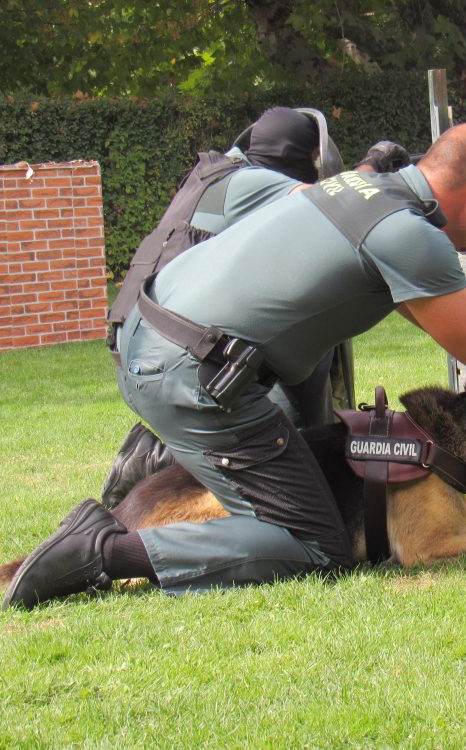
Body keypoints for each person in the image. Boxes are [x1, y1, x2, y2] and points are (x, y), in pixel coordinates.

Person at [3, 123, 466, 609]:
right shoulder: (409, 233)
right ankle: (104, 551)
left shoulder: (363, 197)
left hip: (160, 341)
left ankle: (124, 526)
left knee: (303, 515)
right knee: (313, 544)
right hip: (197, 376)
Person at [101, 107, 410, 508]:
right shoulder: (249, 182)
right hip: (177, 342)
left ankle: (164, 458)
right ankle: (159, 460)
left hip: (146, 332)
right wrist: (375, 167)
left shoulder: (213, 173)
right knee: (298, 363)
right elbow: (336, 203)